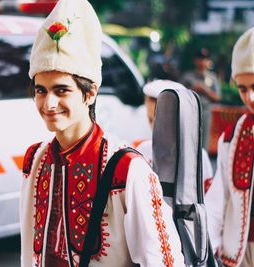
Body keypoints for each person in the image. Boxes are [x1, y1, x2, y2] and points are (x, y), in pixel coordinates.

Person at [20, 0, 185, 266]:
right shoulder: (36, 160)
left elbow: (164, 261)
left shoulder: (128, 170)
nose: (48, 103)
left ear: (91, 92)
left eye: (61, 90)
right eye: (41, 90)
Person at [205, 27, 254, 267]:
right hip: (239, 254)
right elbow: (218, 200)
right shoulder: (233, 136)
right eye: (243, 89)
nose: (250, 98)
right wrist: (206, 251)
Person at [136, 79, 214, 193]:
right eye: (150, 120)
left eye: (160, 121)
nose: (154, 126)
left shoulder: (199, 156)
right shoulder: (142, 150)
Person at [180, 48, 221, 150]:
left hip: (205, 112)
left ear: (208, 61)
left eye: (205, 59)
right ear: (195, 60)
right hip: (189, 112)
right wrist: (193, 89)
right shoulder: (187, 76)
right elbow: (179, 94)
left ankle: (203, 164)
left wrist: (205, 90)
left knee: (203, 143)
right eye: (200, 59)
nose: (202, 62)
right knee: (189, 141)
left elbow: (217, 97)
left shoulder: (212, 78)